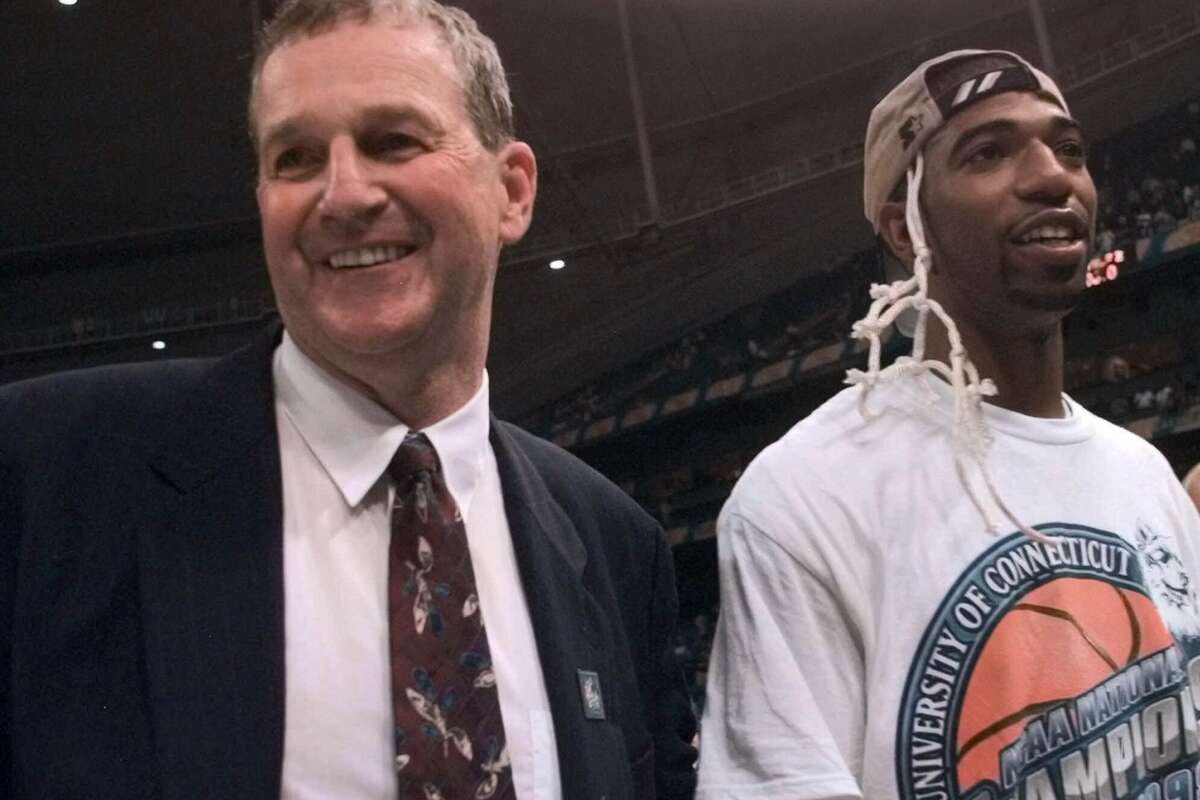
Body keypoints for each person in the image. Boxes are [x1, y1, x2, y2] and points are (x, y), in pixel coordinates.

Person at [0, 1, 697, 798]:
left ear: (512, 190)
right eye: (294, 158)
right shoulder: (47, 472)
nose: (342, 194)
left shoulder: (612, 543)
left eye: (392, 140)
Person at [697, 50, 1200, 800]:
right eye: (988, 153)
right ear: (906, 229)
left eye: (1068, 149)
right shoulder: (803, 496)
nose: (1051, 176)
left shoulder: (1141, 472)